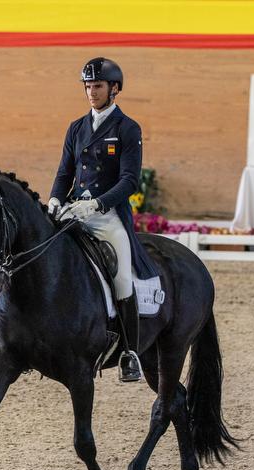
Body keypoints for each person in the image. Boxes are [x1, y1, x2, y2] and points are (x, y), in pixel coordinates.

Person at [48, 57, 159, 383]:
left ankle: (130, 353)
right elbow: (64, 172)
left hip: (107, 216)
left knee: (123, 277)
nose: (91, 92)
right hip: (73, 212)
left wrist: (97, 204)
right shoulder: (76, 127)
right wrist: (56, 197)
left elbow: (128, 181)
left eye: (97, 86)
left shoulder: (127, 128)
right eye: (87, 86)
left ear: (114, 89)